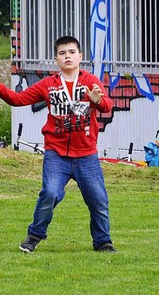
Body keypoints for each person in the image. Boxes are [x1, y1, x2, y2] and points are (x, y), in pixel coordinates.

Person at [0, 36, 115, 253]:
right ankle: (34, 236)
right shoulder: (48, 85)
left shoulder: (91, 81)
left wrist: (97, 100)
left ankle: (103, 242)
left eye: (72, 52)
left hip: (86, 155)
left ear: (80, 56)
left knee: (98, 200)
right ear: (56, 59)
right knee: (50, 193)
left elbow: (107, 106)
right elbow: (17, 99)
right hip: (56, 154)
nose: (68, 56)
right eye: (62, 53)